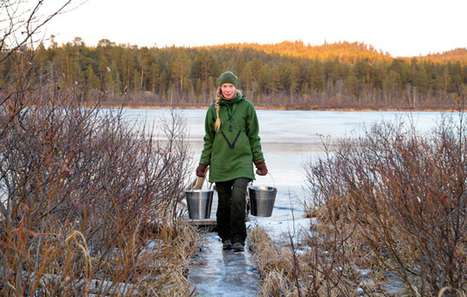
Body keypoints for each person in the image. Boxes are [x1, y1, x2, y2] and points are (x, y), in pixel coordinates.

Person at [196, 71, 268, 252]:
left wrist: (259, 161)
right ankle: (225, 236)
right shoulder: (213, 109)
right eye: (224, 86)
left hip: (242, 161)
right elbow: (209, 139)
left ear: (236, 87)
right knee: (223, 202)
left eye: (231, 86)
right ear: (220, 87)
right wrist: (203, 163)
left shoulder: (247, 107)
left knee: (237, 199)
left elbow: (254, 136)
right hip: (219, 162)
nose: (228, 90)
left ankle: (238, 238)